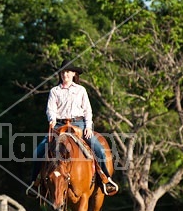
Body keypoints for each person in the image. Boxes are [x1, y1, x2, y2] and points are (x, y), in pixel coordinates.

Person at [26, 58, 119, 196]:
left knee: (98, 148)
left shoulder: (81, 90)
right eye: (63, 72)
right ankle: (35, 183)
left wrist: (88, 126)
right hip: (59, 124)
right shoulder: (54, 91)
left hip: (79, 124)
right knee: (38, 152)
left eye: (68, 72)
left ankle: (106, 179)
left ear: (74, 74)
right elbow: (50, 109)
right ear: (60, 74)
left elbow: (87, 110)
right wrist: (52, 120)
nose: (65, 75)